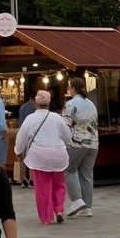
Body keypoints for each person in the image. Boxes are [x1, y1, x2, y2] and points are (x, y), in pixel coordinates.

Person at [13, 90, 72, 224]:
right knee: (59, 184)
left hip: (39, 156)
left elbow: (21, 138)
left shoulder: (30, 119)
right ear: (49, 103)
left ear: (35, 103)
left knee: (43, 187)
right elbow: (68, 137)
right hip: (58, 155)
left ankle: (46, 216)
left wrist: (18, 150)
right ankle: (59, 209)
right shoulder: (57, 118)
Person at [62, 77, 99, 218]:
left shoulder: (70, 104)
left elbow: (65, 125)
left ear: (73, 89)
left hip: (77, 142)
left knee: (69, 169)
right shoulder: (91, 103)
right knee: (86, 174)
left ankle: (77, 200)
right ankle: (88, 207)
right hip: (93, 142)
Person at [12, 90, 40, 187]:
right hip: (34, 136)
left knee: (23, 158)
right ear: (34, 99)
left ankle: (23, 179)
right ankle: (32, 179)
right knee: (32, 158)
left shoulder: (23, 107)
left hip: (23, 133)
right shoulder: (36, 108)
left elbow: (20, 122)